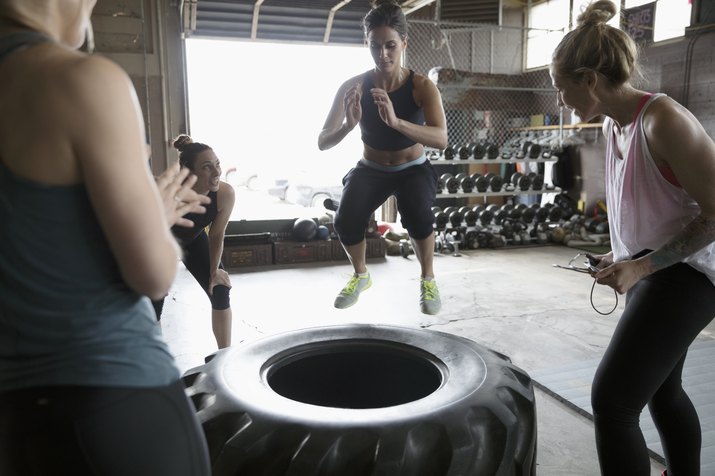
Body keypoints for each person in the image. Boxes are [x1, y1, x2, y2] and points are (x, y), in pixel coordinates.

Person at [0, 1, 212, 475]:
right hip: (116, 403)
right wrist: (155, 216)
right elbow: (153, 274)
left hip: (15, 424)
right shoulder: (81, 81)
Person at [550, 1, 715, 474]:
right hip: (658, 268)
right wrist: (618, 253)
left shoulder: (663, 122)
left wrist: (641, 265)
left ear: (590, 80)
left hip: (692, 274)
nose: (563, 101)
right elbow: (653, 209)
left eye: (563, 90)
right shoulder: (613, 123)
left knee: (613, 402)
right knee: (664, 390)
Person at [318, 0, 448, 315]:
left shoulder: (421, 87)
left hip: (412, 168)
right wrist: (349, 126)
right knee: (346, 220)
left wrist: (398, 122)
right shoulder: (353, 86)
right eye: (375, 46)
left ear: (404, 43)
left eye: (390, 45)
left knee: (417, 212)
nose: (383, 54)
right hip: (371, 167)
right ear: (368, 44)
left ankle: (427, 278)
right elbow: (323, 141)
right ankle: (361, 275)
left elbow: (441, 139)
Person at [153, 135, 235, 350]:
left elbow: (216, 234)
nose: (217, 172)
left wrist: (214, 271)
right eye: (207, 167)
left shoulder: (225, 194)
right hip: (159, 246)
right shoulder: (167, 194)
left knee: (219, 289)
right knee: (153, 301)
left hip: (193, 239)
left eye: (217, 164)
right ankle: (158, 364)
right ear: (188, 173)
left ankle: (223, 355)